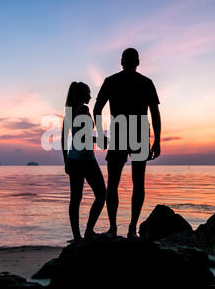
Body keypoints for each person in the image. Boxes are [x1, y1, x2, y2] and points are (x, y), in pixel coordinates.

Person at [93, 48, 161, 238]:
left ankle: (114, 229)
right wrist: (157, 140)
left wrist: (100, 133)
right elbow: (155, 113)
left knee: (114, 183)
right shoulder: (145, 82)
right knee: (137, 183)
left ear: (121, 62)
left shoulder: (111, 81)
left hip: (121, 133)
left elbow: (97, 110)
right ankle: (131, 229)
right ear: (138, 62)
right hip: (138, 134)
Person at [61, 82, 107, 243]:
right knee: (101, 194)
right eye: (88, 92)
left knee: (76, 199)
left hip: (75, 159)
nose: (90, 96)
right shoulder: (83, 110)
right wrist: (99, 139)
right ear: (81, 94)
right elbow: (82, 137)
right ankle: (86, 232)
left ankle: (79, 236)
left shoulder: (69, 112)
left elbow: (63, 138)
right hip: (85, 160)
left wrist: (65, 160)